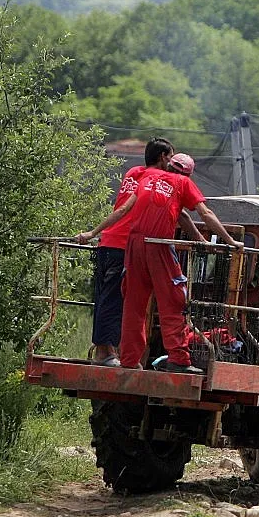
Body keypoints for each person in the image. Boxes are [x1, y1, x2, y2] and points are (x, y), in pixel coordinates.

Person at [119, 153, 244, 373]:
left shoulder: (149, 179)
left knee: (134, 305)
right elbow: (205, 213)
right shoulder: (183, 182)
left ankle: (129, 360)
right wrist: (230, 241)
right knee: (174, 301)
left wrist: (199, 239)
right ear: (188, 173)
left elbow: (181, 216)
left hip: (134, 245)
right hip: (159, 245)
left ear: (168, 166)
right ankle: (178, 359)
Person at [74, 138, 177, 367]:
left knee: (103, 299)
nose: (172, 163)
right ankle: (105, 353)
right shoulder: (153, 179)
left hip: (107, 243)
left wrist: (94, 233)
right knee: (116, 301)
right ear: (162, 158)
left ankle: (106, 349)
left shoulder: (133, 172)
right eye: (170, 158)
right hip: (123, 246)